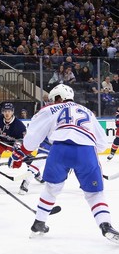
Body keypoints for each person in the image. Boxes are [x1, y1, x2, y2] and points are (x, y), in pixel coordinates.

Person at [8, 84, 119, 243]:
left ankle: (39, 222)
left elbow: (33, 136)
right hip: (86, 152)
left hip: (59, 150)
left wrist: (21, 153)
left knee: (51, 188)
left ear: (58, 98)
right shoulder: (88, 112)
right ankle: (106, 226)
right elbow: (102, 144)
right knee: (94, 193)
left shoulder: (50, 109)